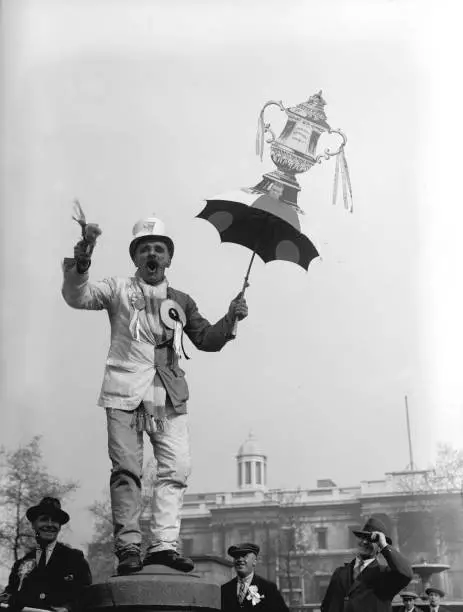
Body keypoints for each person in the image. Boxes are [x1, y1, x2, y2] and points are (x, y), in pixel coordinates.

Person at [62, 216, 248, 576]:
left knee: (176, 468)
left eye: (159, 249)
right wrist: (82, 262)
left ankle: (163, 545)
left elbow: (206, 340)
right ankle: (129, 546)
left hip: (166, 392)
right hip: (124, 391)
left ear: (168, 258)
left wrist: (231, 317)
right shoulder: (117, 288)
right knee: (127, 470)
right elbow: (77, 296)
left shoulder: (181, 301)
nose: (152, 254)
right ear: (135, 257)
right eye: (145, 248)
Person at [0, 497, 91, 612]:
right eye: (44, 519)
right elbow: (10, 595)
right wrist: (5, 598)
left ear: (59, 526)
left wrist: (68, 608)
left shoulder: (75, 559)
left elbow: (87, 596)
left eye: (55, 521)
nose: (49, 524)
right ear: (33, 524)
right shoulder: (21, 564)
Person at [320, 517, 413, 612]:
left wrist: (385, 546)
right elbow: (326, 605)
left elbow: (406, 573)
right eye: (362, 537)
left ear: (379, 547)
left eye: (370, 539)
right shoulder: (340, 573)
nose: (364, 542)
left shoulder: (385, 575)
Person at [221, 542, 288, 612]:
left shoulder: (269, 589)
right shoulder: (224, 590)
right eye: (236, 557)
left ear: (254, 562)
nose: (240, 560)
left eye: (244, 556)